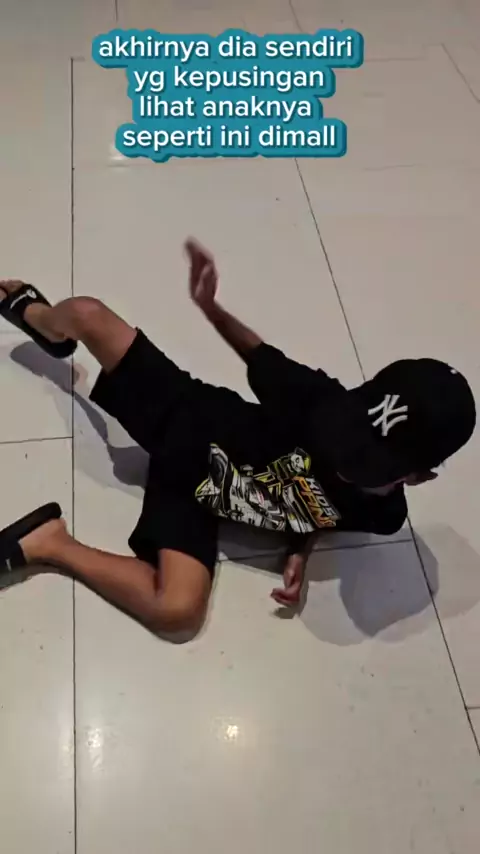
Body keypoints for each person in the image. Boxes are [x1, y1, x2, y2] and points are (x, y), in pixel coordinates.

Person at [0, 240, 476, 638]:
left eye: (365, 462)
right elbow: (259, 355)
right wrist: (211, 308)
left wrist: (300, 547)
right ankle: (38, 317)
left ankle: (51, 544)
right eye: (349, 434)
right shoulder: (320, 399)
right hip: (189, 420)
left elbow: (330, 512)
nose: (344, 460)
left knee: (178, 612)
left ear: (416, 478)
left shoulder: (383, 517)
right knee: (86, 312)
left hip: (197, 497)